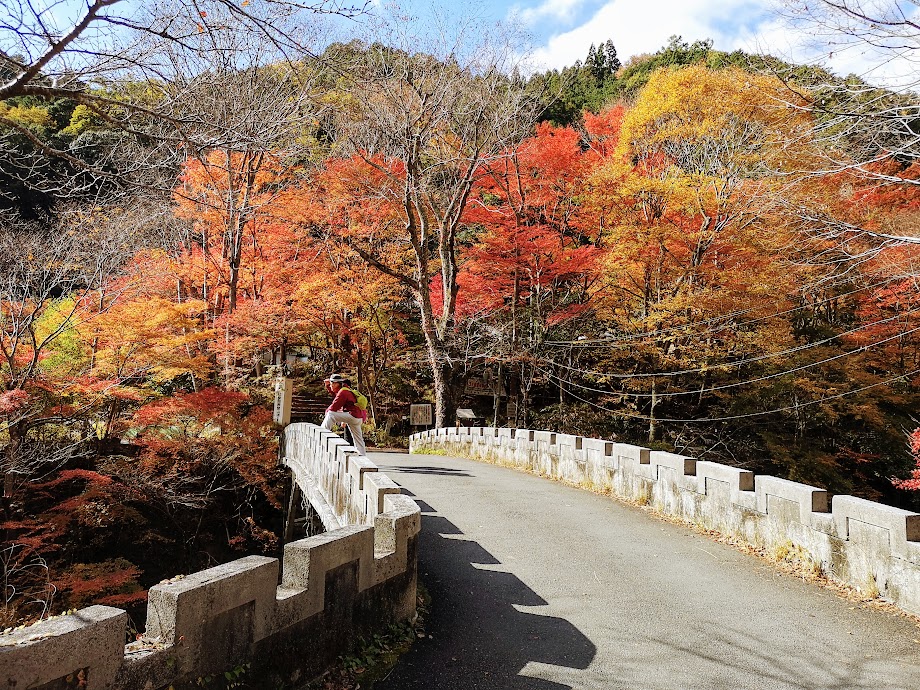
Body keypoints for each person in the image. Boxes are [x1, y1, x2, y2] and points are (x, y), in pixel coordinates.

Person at [321, 373, 367, 456]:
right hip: (358, 418)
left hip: (352, 416)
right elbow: (334, 392)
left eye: (331, 384)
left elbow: (334, 407)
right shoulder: (346, 390)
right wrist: (328, 385)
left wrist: (327, 412)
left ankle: (322, 433)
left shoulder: (343, 392)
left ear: (336, 384)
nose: (330, 386)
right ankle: (362, 456)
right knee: (358, 440)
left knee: (330, 414)